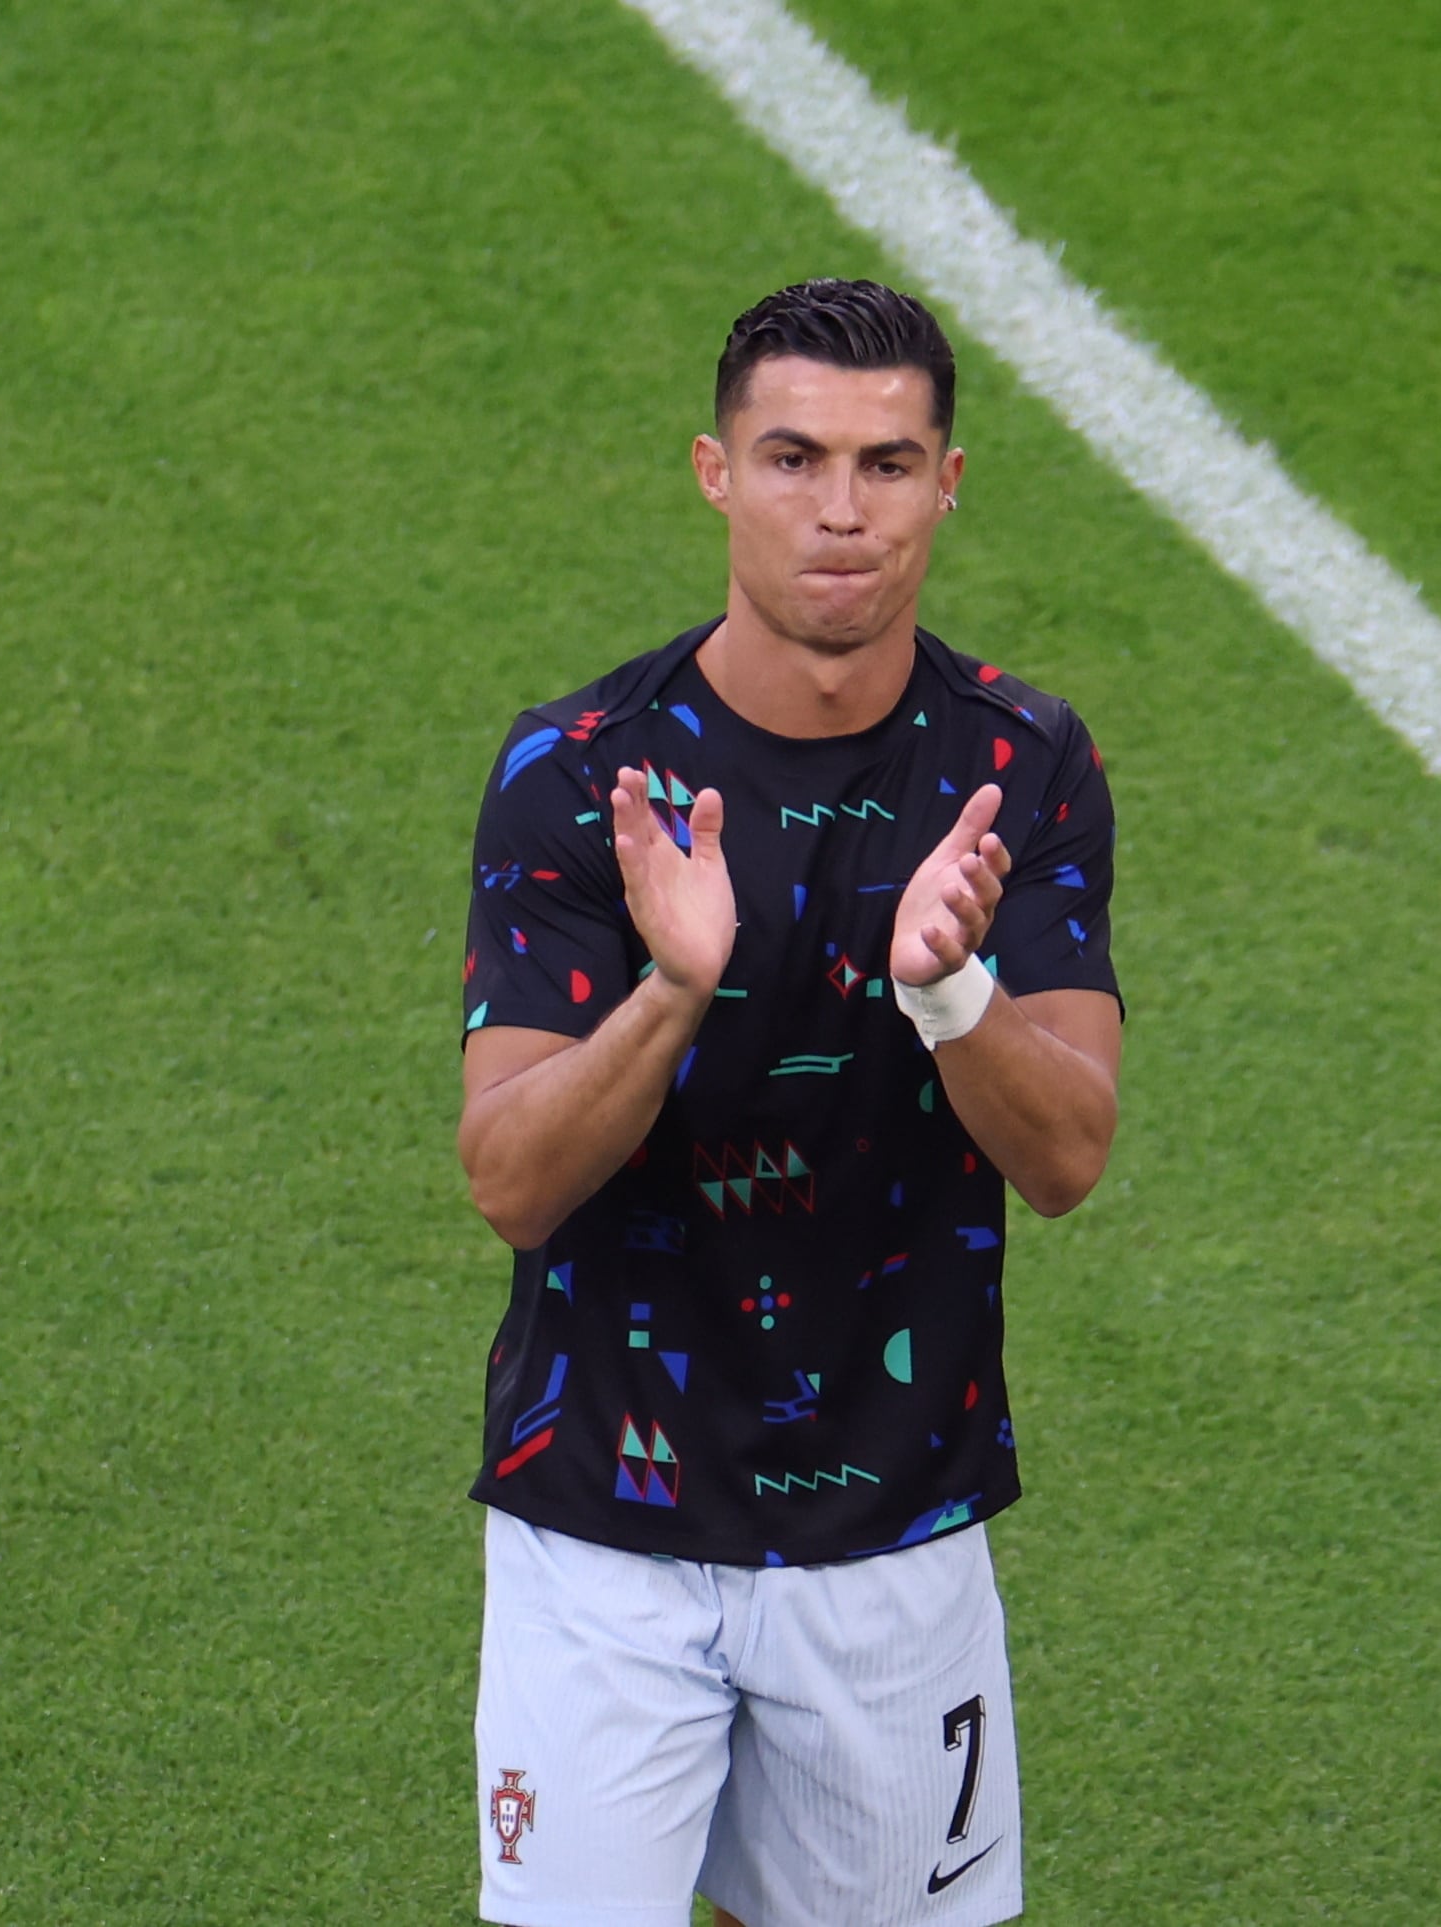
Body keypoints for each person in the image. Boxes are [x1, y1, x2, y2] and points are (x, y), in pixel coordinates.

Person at [456, 279, 1123, 1927]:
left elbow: (1065, 1157)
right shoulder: (581, 773)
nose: (841, 512)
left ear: (947, 483)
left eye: (887, 465)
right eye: (792, 457)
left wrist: (948, 988)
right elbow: (510, 1181)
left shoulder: (1020, 767)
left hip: (893, 1529)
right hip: (603, 1520)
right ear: (713, 472)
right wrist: (670, 990)